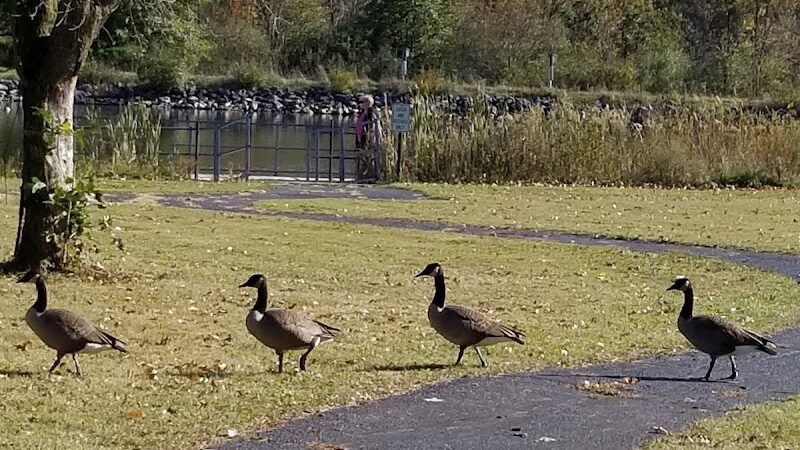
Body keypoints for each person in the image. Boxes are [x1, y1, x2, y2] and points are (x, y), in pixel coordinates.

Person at [355, 94, 380, 181]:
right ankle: (361, 175)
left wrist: (370, 136)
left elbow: (372, 125)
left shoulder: (371, 112)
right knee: (361, 156)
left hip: (367, 139)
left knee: (367, 157)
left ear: (368, 103)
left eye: (363, 102)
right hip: (360, 138)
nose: (361, 104)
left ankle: (367, 175)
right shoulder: (362, 112)